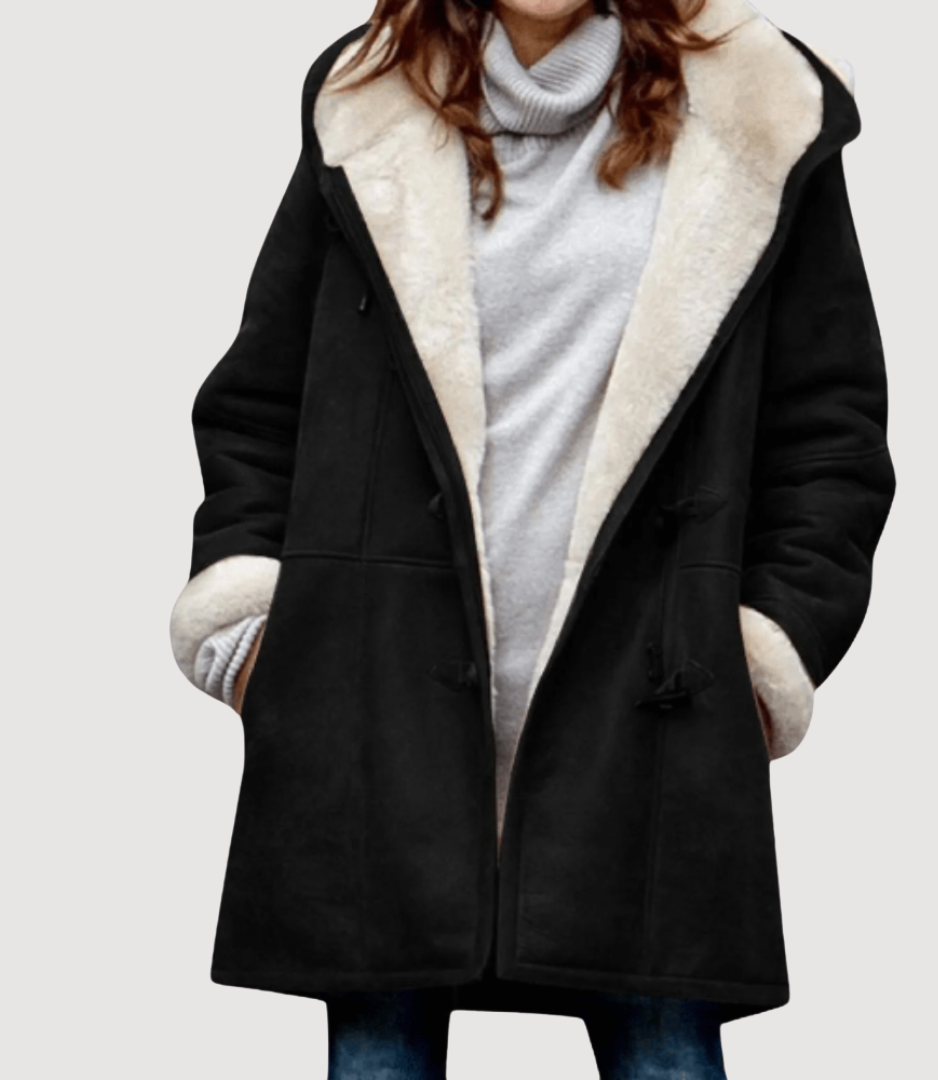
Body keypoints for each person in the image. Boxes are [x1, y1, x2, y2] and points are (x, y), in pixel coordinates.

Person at [169, 0, 895, 1076]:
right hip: (376, 715)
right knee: (379, 1057)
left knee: (665, 1054)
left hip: (651, 714)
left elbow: (829, 433)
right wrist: (252, 635)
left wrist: (759, 652)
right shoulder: (370, 102)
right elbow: (258, 404)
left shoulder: (758, 113)